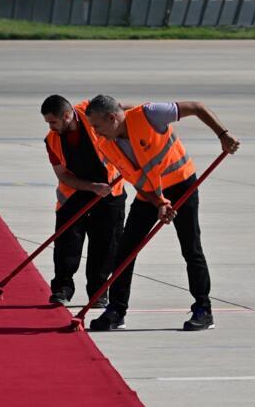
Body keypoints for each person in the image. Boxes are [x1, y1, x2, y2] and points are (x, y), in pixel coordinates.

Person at [83, 95, 240, 332]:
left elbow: (197, 107)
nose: (95, 132)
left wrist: (223, 134)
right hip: (149, 194)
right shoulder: (107, 144)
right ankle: (116, 310)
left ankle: (203, 309)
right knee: (126, 250)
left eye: (97, 125)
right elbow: (137, 178)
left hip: (181, 183)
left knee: (191, 247)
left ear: (112, 118)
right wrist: (159, 203)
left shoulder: (150, 114)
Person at [41, 95, 128, 308]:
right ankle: (62, 288)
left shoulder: (91, 112)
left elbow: (121, 110)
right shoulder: (52, 140)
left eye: (53, 122)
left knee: (105, 245)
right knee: (66, 243)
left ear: (67, 115)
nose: (50, 127)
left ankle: (99, 291)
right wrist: (91, 187)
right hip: (74, 193)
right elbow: (63, 175)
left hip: (109, 192)